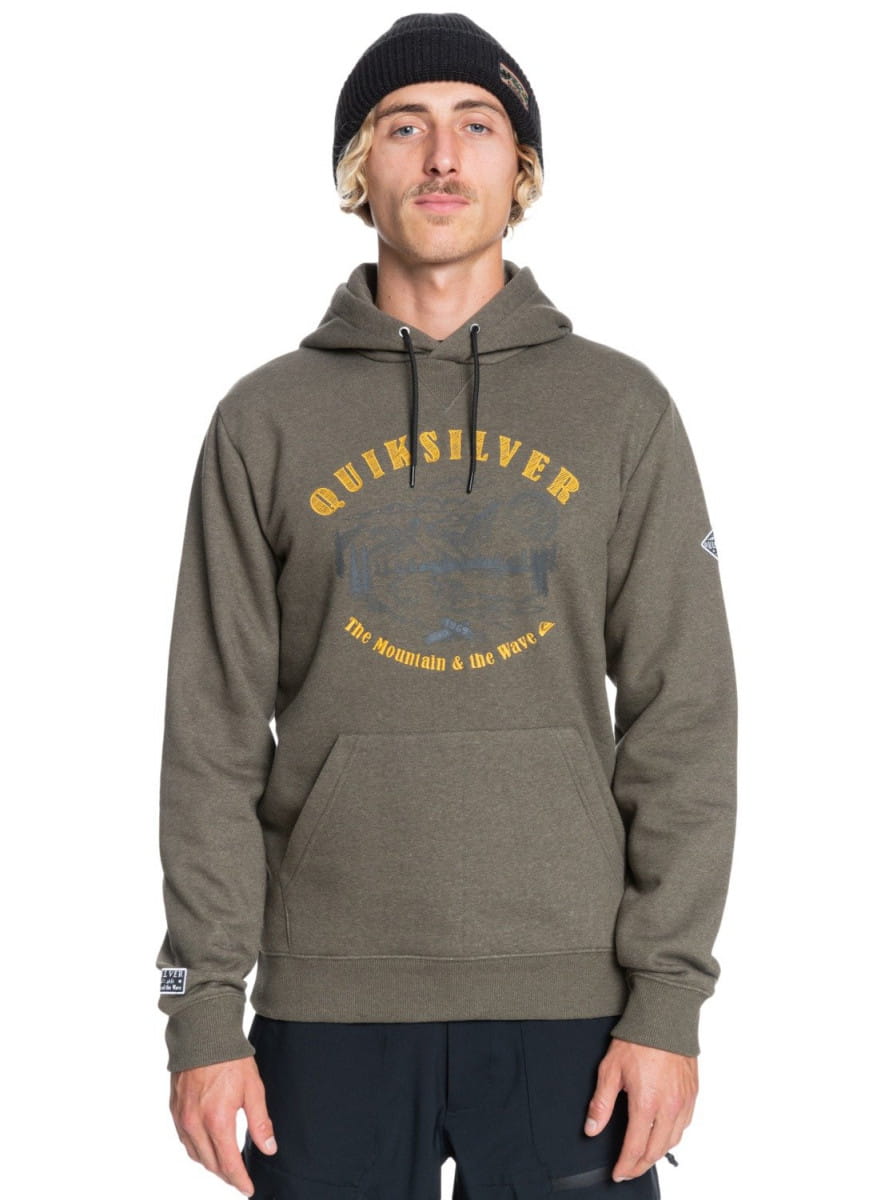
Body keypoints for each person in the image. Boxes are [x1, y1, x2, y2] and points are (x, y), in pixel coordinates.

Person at [156, 13, 737, 1200]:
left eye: (476, 127)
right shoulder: (264, 420)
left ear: (518, 170)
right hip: (327, 1003)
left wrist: (668, 999)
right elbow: (209, 737)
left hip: (576, 1008)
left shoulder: (619, 411)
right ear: (356, 172)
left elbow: (683, 718)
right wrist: (203, 1012)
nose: (439, 157)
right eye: (401, 127)